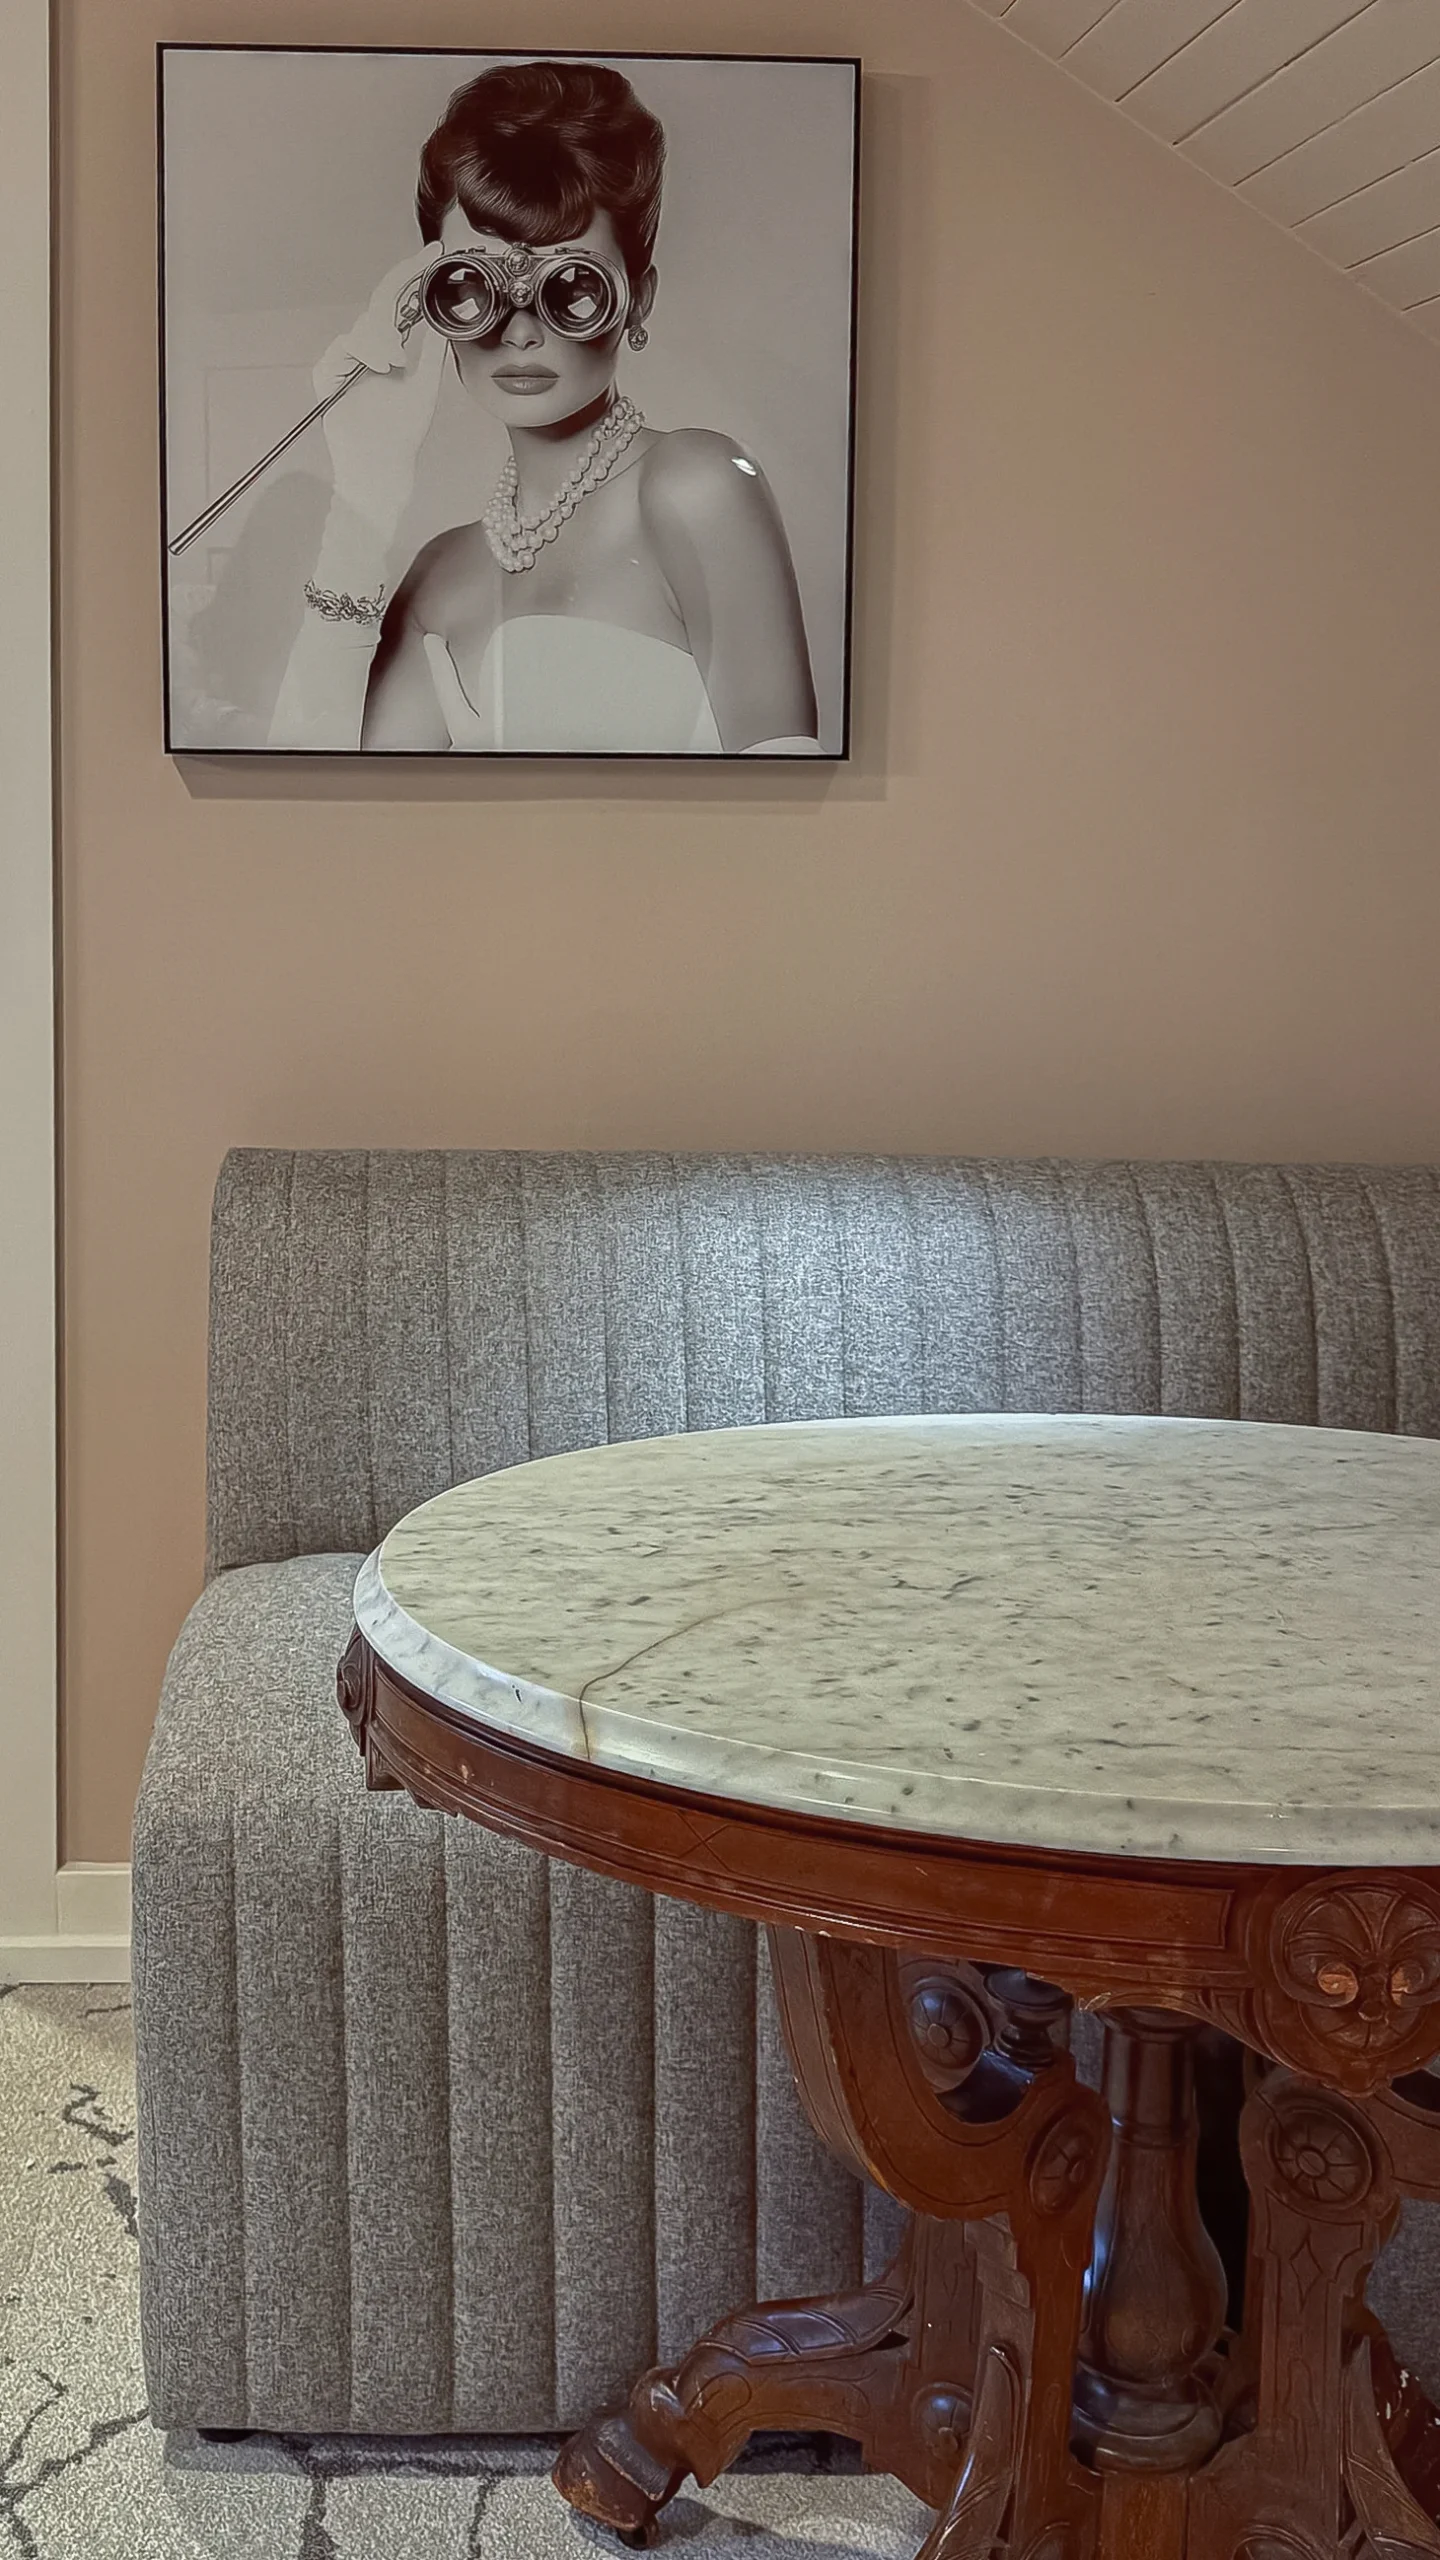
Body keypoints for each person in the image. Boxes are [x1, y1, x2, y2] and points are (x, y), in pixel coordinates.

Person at [269, 59, 820, 755]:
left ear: (637, 300)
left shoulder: (697, 484)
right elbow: (311, 802)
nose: (521, 327)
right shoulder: (440, 570)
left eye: (573, 285)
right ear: (426, 297)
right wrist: (365, 488)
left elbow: (792, 814)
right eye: (474, 283)